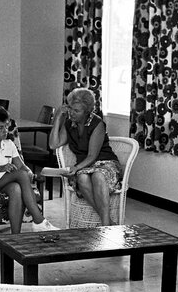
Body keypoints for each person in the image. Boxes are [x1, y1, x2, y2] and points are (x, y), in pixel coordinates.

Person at [0, 106, 58, 234]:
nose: (5, 130)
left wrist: (30, 173)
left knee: (16, 189)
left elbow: (21, 166)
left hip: (3, 181)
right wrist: (2, 167)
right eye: (1, 127)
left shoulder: (9, 144)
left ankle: (15, 236)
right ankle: (39, 220)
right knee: (21, 175)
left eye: (7, 126)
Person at [49, 87, 124, 226]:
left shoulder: (97, 123)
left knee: (98, 176)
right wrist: (58, 118)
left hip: (105, 162)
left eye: (76, 111)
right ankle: (108, 222)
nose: (71, 113)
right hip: (85, 165)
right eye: (70, 108)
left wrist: (75, 167)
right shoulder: (69, 123)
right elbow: (53, 145)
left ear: (87, 111)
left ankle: (105, 225)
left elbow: (92, 155)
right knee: (82, 178)